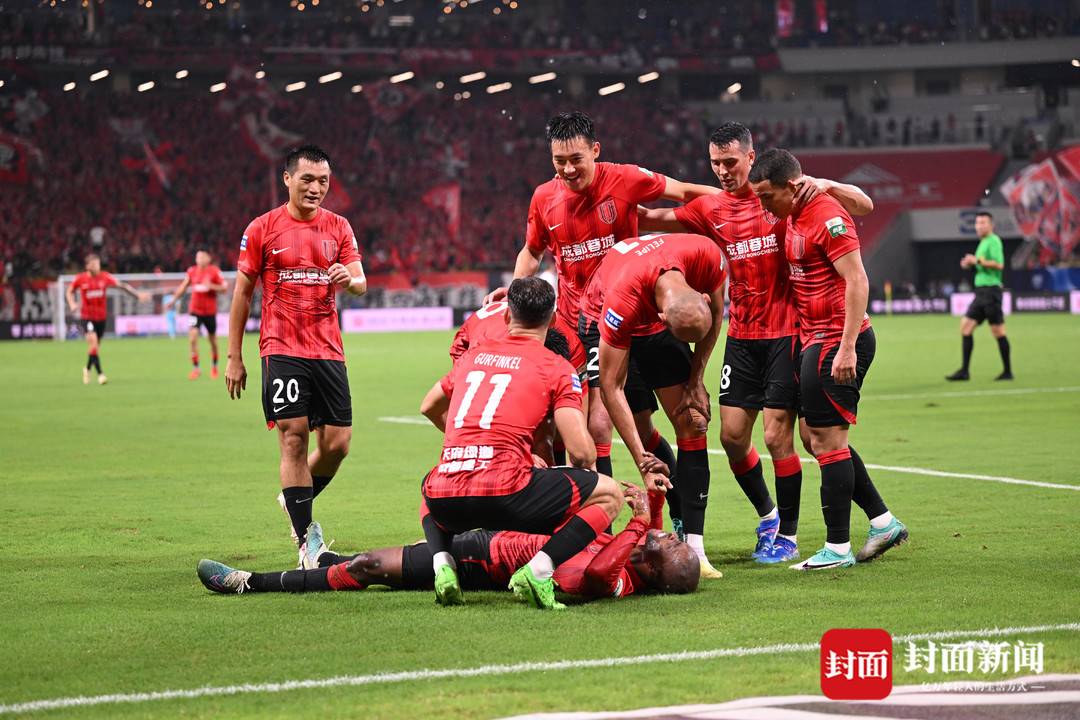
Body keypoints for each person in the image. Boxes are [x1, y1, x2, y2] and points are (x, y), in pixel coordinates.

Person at [638, 121, 874, 564]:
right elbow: (653, 218)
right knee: (730, 437)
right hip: (742, 335)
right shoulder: (712, 207)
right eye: (715, 163)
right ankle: (769, 515)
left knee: (778, 436)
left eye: (730, 162)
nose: (723, 171)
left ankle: (787, 535)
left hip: (788, 332)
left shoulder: (785, 195)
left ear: (751, 157)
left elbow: (862, 204)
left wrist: (827, 184)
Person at [486, 111, 718, 484]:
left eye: (576, 159)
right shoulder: (544, 198)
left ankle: (669, 505)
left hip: (636, 316)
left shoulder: (626, 178)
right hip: (581, 323)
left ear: (595, 150)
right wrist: (517, 290)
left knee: (649, 425)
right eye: (559, 161)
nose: (568, 169)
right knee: (592, 426)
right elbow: (532, 251)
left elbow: (685, 192)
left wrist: (741, 202)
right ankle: (598, 515)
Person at [418, 277, 625, 610]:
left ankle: (442, 564)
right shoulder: (556, 366)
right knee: (610, 493)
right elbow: (580, 452)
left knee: (432, 483)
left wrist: (469, 448)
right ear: (553, 320)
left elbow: (428, 406)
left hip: (448, 501)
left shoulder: (473, 356)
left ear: (505, 316)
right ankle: (539, 571)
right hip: (507, 496)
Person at [749, 149, 908, 570]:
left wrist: (847, 346)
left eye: (767, 196)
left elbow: (857, 279)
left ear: (791, 186)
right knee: (812, 436)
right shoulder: (794, 212)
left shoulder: (826, 215)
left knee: (827, 441)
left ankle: (837, 548)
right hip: (814, 338)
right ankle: (883, 522)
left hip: (836, 338)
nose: (764, 205)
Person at [225, 145, 367, 563]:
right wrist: (234, 356)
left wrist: (349, 281)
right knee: (293, 438)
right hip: (281, 347)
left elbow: (360, 281)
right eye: (307, 179)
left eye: (323, 181)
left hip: (328, 349)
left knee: (338, 444)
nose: (316, 188)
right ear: (287, 179)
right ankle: (307, 543)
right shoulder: (263, 228)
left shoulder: (339, 227)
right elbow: (242, 293)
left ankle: (294, 499)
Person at [197, 484, 699, 600]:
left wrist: (637, 524)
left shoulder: (617, 582)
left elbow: (593, 571)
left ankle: (250, 582)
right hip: (490, 532)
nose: (672, 538)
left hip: (475, 560)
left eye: (675, 548)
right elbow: (633, 541)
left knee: (370, 565)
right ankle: (324, 559)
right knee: (429, 505)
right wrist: (652, 505)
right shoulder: (633, 556)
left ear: (657, 573)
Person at [581, 233, 726, 578]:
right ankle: (602, 540)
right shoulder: (623, 300)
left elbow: (717, 312)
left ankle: (695, 546)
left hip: (655, 318)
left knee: (691, 422)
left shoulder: (706, 254)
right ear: (662, 318)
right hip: (605, 319)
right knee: (635, 430)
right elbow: (612, 387)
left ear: (702, 295)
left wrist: (696, 379)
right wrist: (642, 461)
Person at [946, 211, 1012, 381]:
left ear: (991, 225)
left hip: (991, 291)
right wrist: (971, 265)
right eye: (977, 223)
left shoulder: (994, 241)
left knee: (998, 331)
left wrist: (976, 261)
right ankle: (964, 371)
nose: (979, 226)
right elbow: (983, 266)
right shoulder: (983, 242)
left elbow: (999, 265)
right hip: (981, 292)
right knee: (966, 327)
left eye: (983, 223)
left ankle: (1007, 372)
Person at [65, 253, 150, 385]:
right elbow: (69, 291)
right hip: (87, 317)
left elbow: (122, 286)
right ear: (87, 266)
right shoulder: (80, 279)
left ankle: (87, 368)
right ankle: (101, 375)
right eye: (94, 264)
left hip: (101, 318)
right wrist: (72, 303)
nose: (97, 267)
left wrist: (137, 295)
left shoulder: (105, 277)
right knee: (93, 343)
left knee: (95, 348)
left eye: (98, 264)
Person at [164, 250, 228, 380]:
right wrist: (173, 300)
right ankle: (196, 368)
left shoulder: (214, 271)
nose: (199, 259)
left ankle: (214, 367)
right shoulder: (192, 271)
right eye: (198, 257)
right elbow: (183, 287)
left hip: (210, 312)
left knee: (212, 341)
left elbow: (224, 288)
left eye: (202, 256)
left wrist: (211, 286)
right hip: (195, 311)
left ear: (208, 258)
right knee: (192, 338)